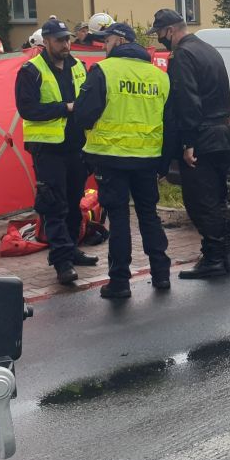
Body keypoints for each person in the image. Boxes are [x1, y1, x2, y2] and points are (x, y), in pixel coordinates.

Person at [74, 22, 172, 299]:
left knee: (118, 220)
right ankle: (161, 274)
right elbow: (170, 121)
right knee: (148, 215)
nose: (103, 46)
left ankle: (120, 282)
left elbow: (83, 114)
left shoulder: (103, 71)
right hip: (147, 159)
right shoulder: (159, 76)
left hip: (111, 159)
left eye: (106, 41)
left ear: (119, 41)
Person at [147, 9, 230, 278]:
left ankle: (214, 259)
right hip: (221, 133)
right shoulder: (209, 50)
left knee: (201, 201)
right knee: (217, 199)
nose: (161, 38)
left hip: (202, 136)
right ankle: (223, 255)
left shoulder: (183, 55)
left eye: (161, 34)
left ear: (171, 31)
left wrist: (188, 142)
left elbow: (187, 101)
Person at [15, 19, 95, 285]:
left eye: (68, 39)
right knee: (54, 205)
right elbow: (28, 110)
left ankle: (71, 248)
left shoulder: (78, 66)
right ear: (46, 42)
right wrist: (65, 108)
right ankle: (61, 262)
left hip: (76, 146)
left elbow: (86, 100)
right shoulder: (31, 71)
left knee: (74, 203)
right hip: (47, 150)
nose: (66, 44)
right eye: (60, 40)